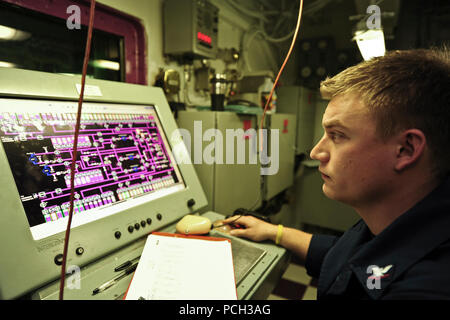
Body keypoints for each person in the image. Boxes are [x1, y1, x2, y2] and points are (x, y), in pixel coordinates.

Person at [223, 47, 450, 299]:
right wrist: (275, 232)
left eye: (337, 135)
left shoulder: (427, 287)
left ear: (406, 149)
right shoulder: (391, 224)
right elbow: (345, 255)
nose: (316, 152)